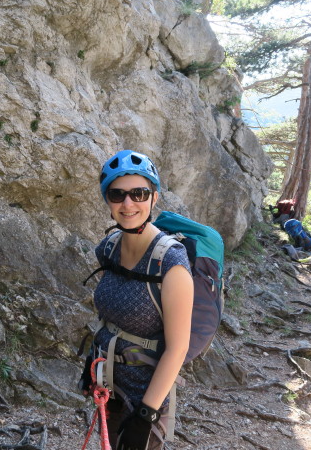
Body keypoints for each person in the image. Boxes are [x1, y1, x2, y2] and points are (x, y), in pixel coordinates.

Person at [82, 150, 193, 450]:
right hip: (107, 384)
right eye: (117, 194)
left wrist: (146, 415)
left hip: (146, 396)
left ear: (154, 198)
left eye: (139, 193)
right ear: (108, 201)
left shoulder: (172, 263)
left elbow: (178, 347)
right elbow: (110, 317)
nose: (128, 204)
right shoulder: (109, 247)